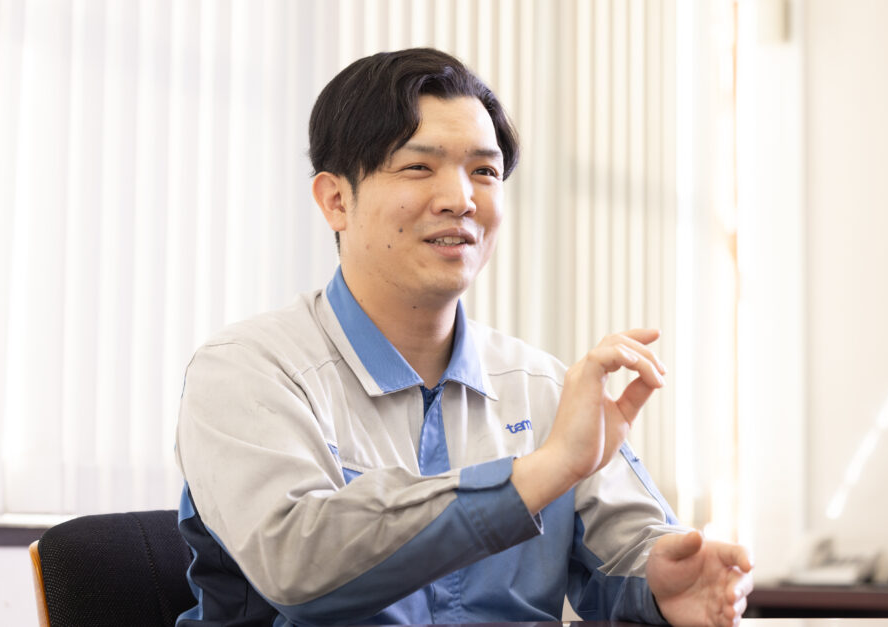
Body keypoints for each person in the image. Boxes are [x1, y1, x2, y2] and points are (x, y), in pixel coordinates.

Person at [174, 47, 753, 627]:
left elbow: (630, 550)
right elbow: (300, 568)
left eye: (484, 172)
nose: (461, 199)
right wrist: (542, 472)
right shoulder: (245, 372)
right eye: (418, 168)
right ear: (336, 200)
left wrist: (662, 583)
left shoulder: (541, 385)